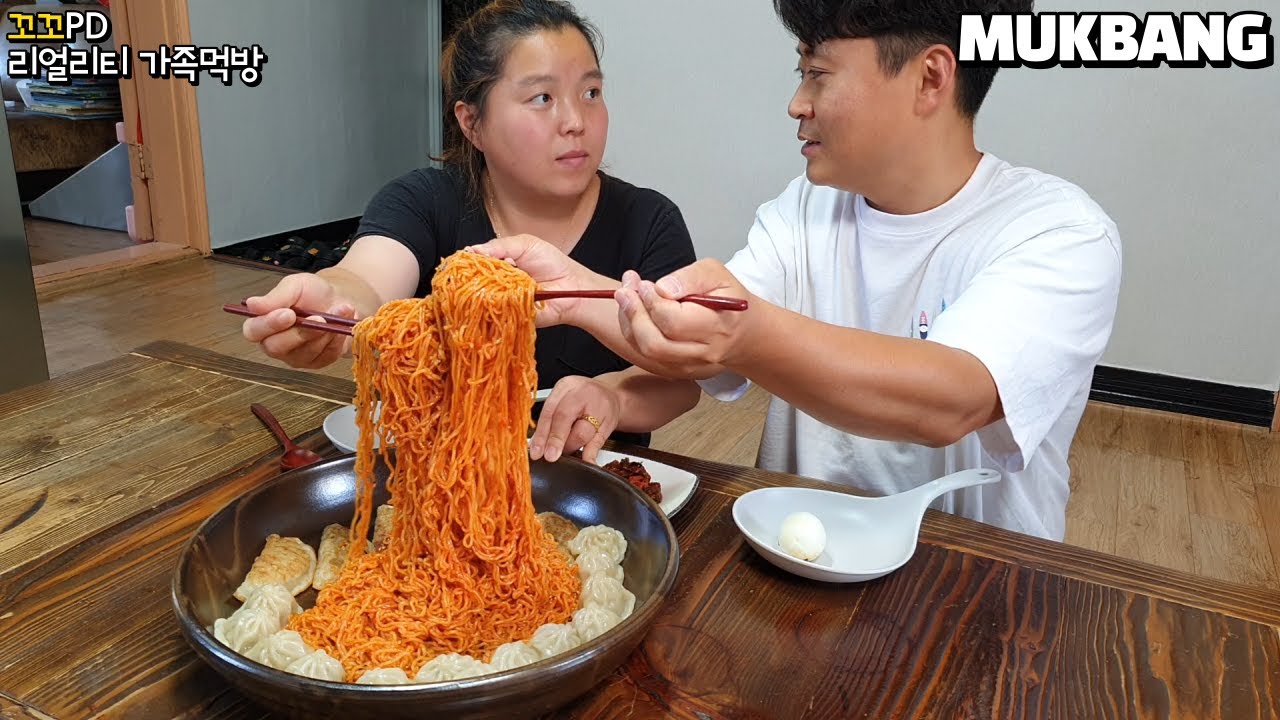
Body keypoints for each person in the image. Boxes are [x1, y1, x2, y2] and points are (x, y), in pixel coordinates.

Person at [473, 0, 1123, 541]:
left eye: (817, 74)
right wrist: (573, 289)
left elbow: (954, 397)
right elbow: (697, 335)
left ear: (930, 78)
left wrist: (748, 334)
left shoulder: (1058, 230)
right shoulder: (804, 210)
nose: (796, 103)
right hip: (793, 562)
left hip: (979, 585)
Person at [240, 0, 700, 461]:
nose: (576, 121)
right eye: (542, 98)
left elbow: (682, 378)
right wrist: (331, 302)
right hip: (436, 469)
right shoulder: (424, 200)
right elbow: (365, 279)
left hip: (590, 477)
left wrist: (612, 397)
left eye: (591, 92)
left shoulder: (649, 220)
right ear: (472, 123)